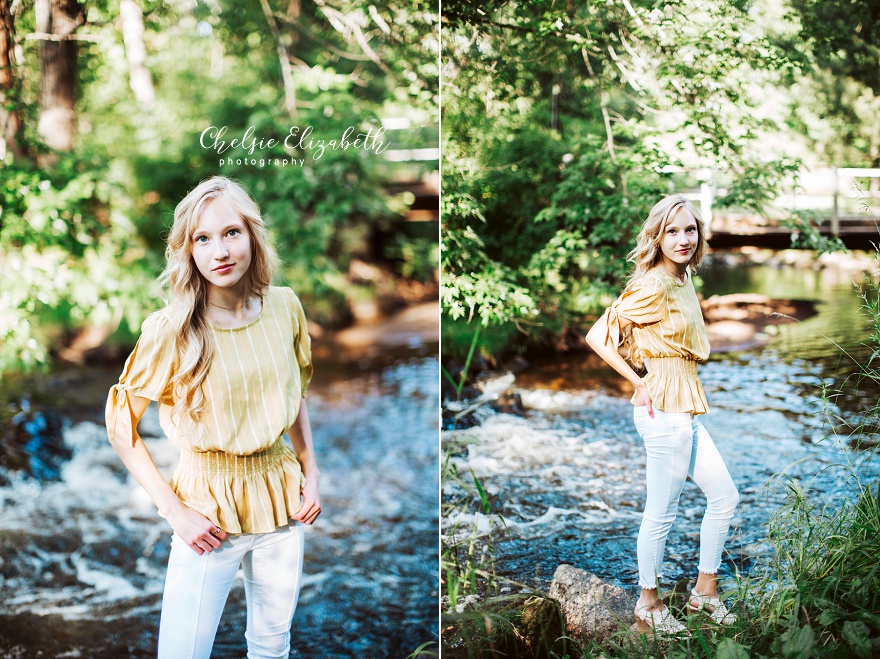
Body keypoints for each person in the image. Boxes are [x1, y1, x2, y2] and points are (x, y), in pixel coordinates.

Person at [105, 176, 321, 658]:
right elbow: (121, 427)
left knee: (272, 646)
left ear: (252, 237)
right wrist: (174, 511)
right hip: (206, 511)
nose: (219, 250)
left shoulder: (284, 306)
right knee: (182, 653)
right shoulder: (173, 330)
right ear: (188, 251)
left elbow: (295, 391)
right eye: (202, 239)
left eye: (230, 233)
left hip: (281, 503)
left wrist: (312, 472)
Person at [585, 194, 739, 635]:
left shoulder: (683, 277)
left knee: (725, 497)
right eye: (672, 231)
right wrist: (637, 381)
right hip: (663, 408)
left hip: (683, 405)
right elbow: (600, 336)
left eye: (689, 229)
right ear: (658, 236)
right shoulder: (652, 284)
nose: (683, 238)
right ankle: (647, 605)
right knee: (661, 512)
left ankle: (703, 594)